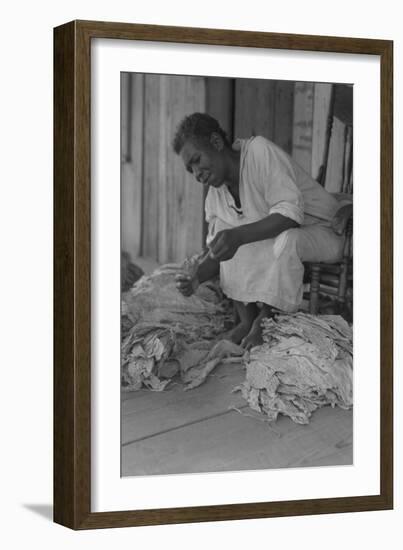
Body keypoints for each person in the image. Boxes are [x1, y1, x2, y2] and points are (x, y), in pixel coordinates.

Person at [173, 112, 348, 349]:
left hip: (327, 231)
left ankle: (266, 319)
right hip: (284, 240)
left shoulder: (259, 152)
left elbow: (290, 214)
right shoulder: (217, 194)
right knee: (227, 232)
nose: (196, 174)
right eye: (189, 169)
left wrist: (238, 236)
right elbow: (218, 249)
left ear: (216, 142)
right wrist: (196, 277)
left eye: (196, 160)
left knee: (280, 238)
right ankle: (246, 321)